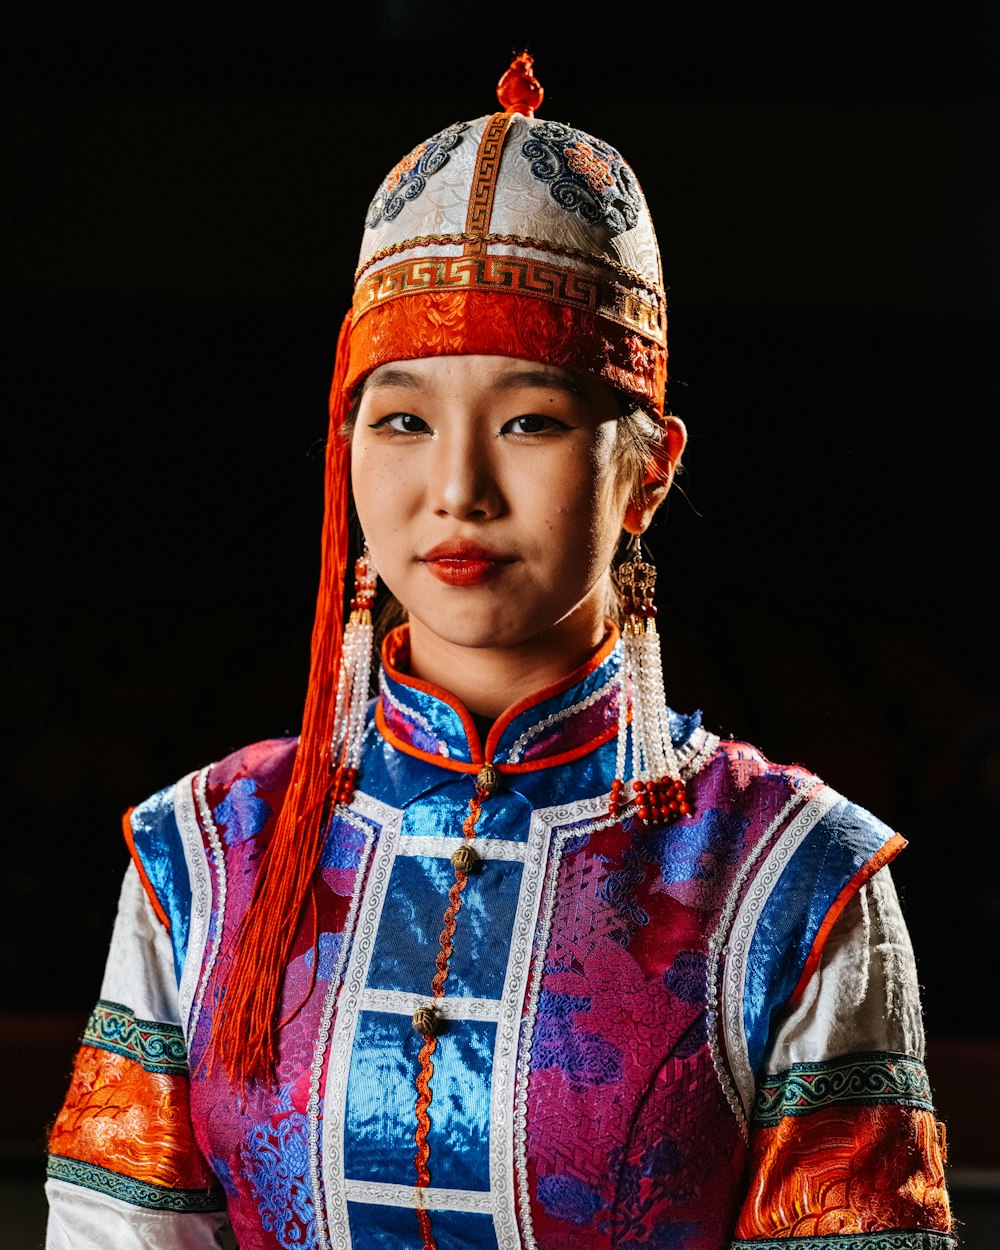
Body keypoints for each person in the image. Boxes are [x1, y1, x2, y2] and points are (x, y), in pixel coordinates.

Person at [45, 54, 954, 1250]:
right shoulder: (209, 853)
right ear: (345, 446)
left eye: (530, 419)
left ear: (651, 468)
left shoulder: (787, 878)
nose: (456, 489)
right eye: (403, 419)